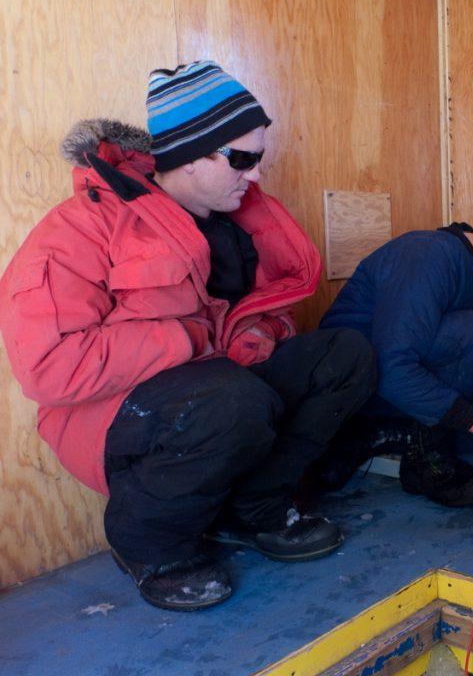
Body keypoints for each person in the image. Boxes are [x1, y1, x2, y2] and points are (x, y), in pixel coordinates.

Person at [0, 61, 376, 611]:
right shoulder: (82, 227)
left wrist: (263, 335)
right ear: (191, 155)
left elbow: (260, 317)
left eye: (258, 159)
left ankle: (253, 510)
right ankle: (150, 545)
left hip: (218, 398)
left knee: (345, 355)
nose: (254, 175)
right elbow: (50, 367)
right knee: (233, 398)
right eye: (242, 159)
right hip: (110, 420)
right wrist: (188, 342)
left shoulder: (240, 225)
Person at [319, 206, 473, 506]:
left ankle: (391, 434)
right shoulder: (428, 256)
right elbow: (392, 365)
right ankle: (422, 462)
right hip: (354, 390)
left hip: (402, 385)